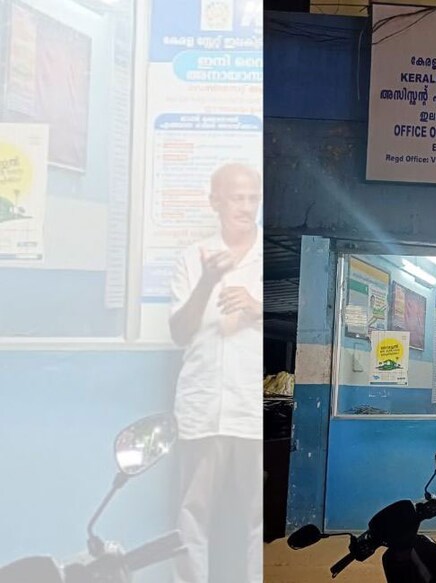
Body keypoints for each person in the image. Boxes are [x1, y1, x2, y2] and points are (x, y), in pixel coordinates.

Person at [168, 162, 263, 583]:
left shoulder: (266, 258)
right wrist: (206, 283)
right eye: (236, 197)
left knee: (254, 518)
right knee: (193, 513)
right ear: (214, 201)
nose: (245, 207)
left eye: (252, 198)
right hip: (202, 407)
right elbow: (178, 332)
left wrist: (256, 306)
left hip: (249, 411)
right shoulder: (192, 259)